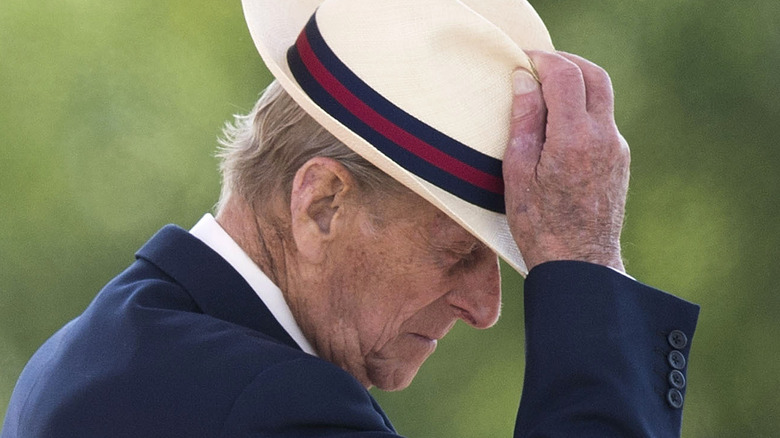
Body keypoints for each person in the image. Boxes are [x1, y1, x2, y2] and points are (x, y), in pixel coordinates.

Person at [1, 0, 699, 436]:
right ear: (321, 204)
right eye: (458, 251)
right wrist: (586, 260)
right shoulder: (274, 407)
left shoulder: (92, 350)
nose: (486, 307)